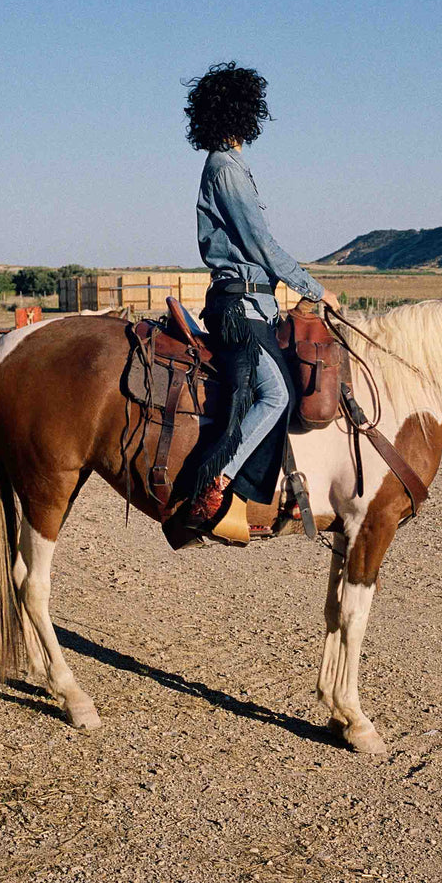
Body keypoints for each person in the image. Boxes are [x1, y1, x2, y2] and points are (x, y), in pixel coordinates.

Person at [183, 61, 339, 538]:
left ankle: (281, 491)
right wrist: (316, 289)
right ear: (242, 115)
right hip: (241, 308)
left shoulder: (232, 167)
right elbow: (260, 245)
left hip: (258, 305)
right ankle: (216, 483)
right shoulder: (226, 169)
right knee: (277, 394)